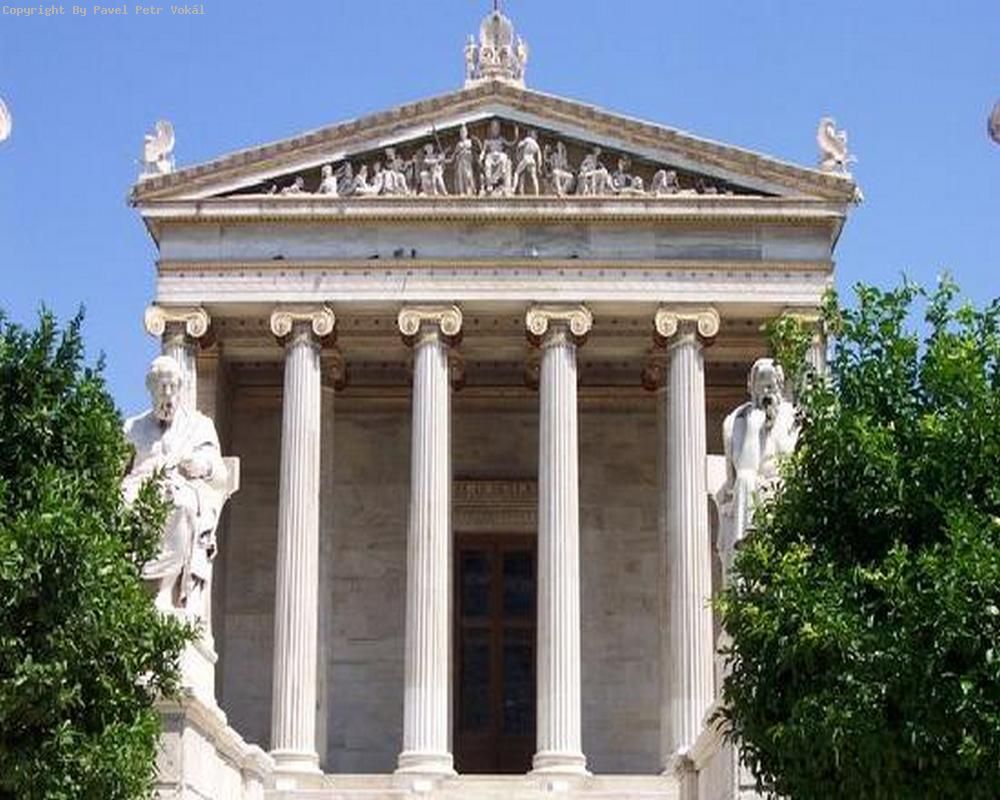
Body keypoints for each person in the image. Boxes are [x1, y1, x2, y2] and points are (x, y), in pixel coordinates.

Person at [122, 355, 228, 621]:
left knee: (182, 505)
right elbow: (117, 466)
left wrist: (201, 466)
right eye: (162, 388)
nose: (168, 395)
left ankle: (164, 590)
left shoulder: (198, 426)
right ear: (150, 389)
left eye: (172, 387)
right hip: (137, 487)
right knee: (120, 504)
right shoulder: (133, 427)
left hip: (177, 488)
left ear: (180, 388)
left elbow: (220, 473)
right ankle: (126, 589)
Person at [718, 358, 798, 577]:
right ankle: (746, 558)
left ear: (780, 387)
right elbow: (744, 469)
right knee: (745, 479)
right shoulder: (739, 422)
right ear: (751, 389)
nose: (766, 393)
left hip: (785, 492)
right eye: (761, 387)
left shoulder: (793, 417)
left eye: (770, 386)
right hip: (752, 495)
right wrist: (753, 430)